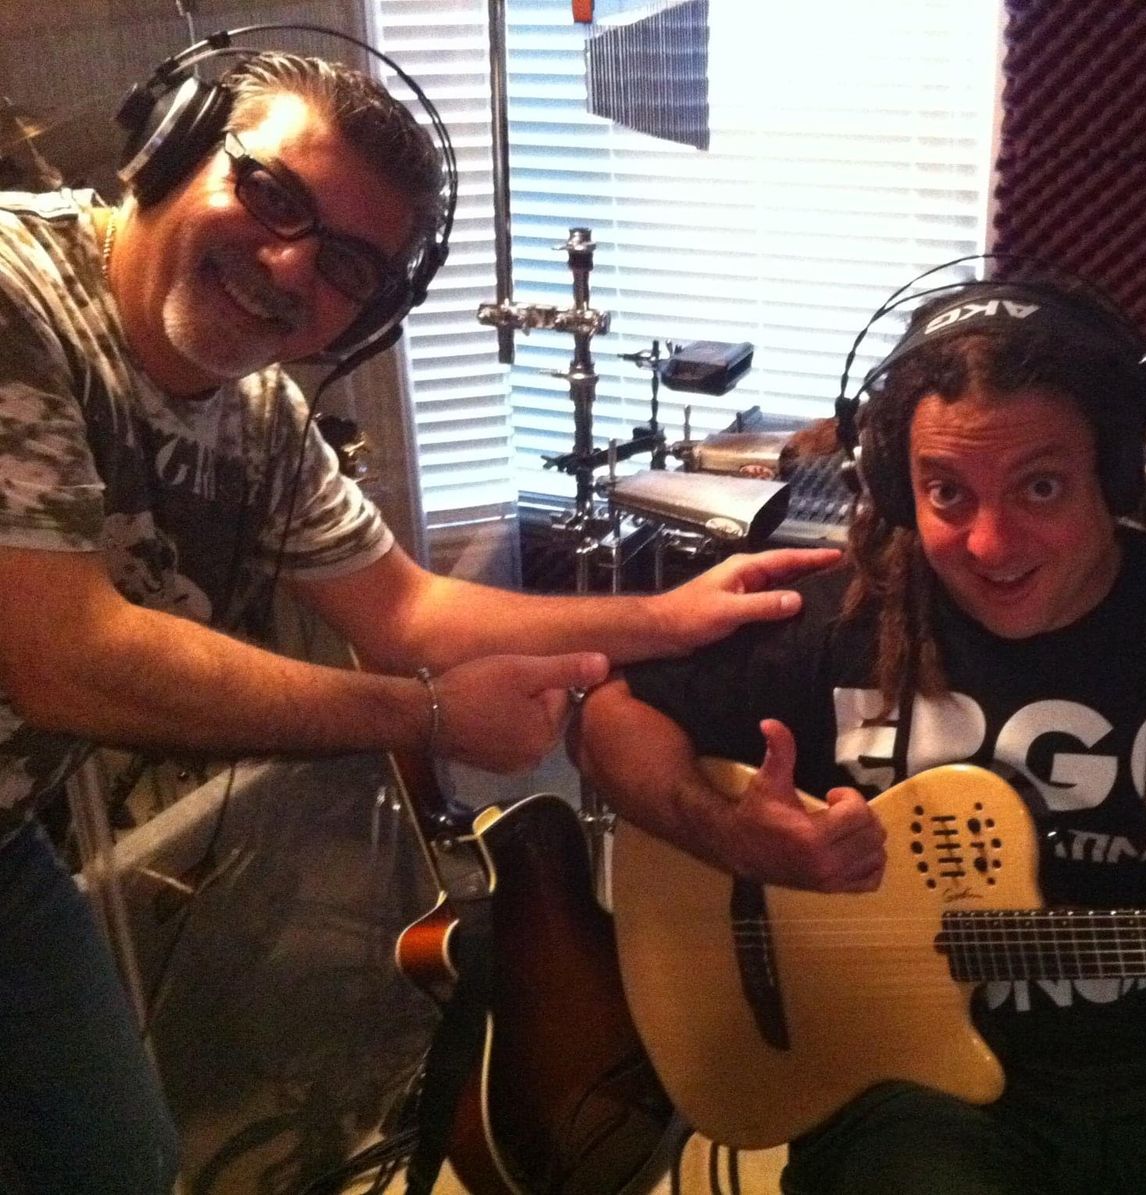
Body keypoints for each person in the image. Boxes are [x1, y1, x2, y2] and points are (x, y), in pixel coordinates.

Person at [0, 52, 833, 1194]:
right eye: (271, 193)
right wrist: (430, 716)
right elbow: (64, 657)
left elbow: (406, 607)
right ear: (172, 146)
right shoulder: (14, 295)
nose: (288, 264)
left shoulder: (263, 420)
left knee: (112, 1164)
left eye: (347, 264)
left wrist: (664, 617)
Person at [577, 277, 1146, 1193]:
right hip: (904, 1079)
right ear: (897, 485)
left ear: (1115, 473)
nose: (992, 544)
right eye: (947, 491)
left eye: (1041, 485)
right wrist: (730, 834)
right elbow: (606, 720)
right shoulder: (840, 618)